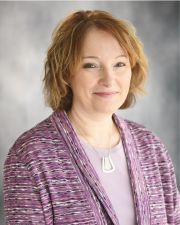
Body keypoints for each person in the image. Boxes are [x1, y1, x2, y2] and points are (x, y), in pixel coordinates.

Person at [3, 10, 180, 225]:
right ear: (66, 73)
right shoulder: (30, 157)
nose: (109, 79)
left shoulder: (151, 148)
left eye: (120, 64)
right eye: (91, 65)